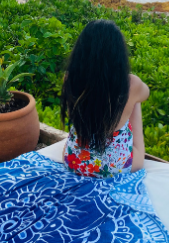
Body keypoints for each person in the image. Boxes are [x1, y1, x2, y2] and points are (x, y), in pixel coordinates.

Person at [61, 19, 150, 178]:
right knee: (134, 100)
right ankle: (130, 149)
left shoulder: (69, 78)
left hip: (74, 160)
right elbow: (146, 94)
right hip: (115, 167)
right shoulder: (131, 84)